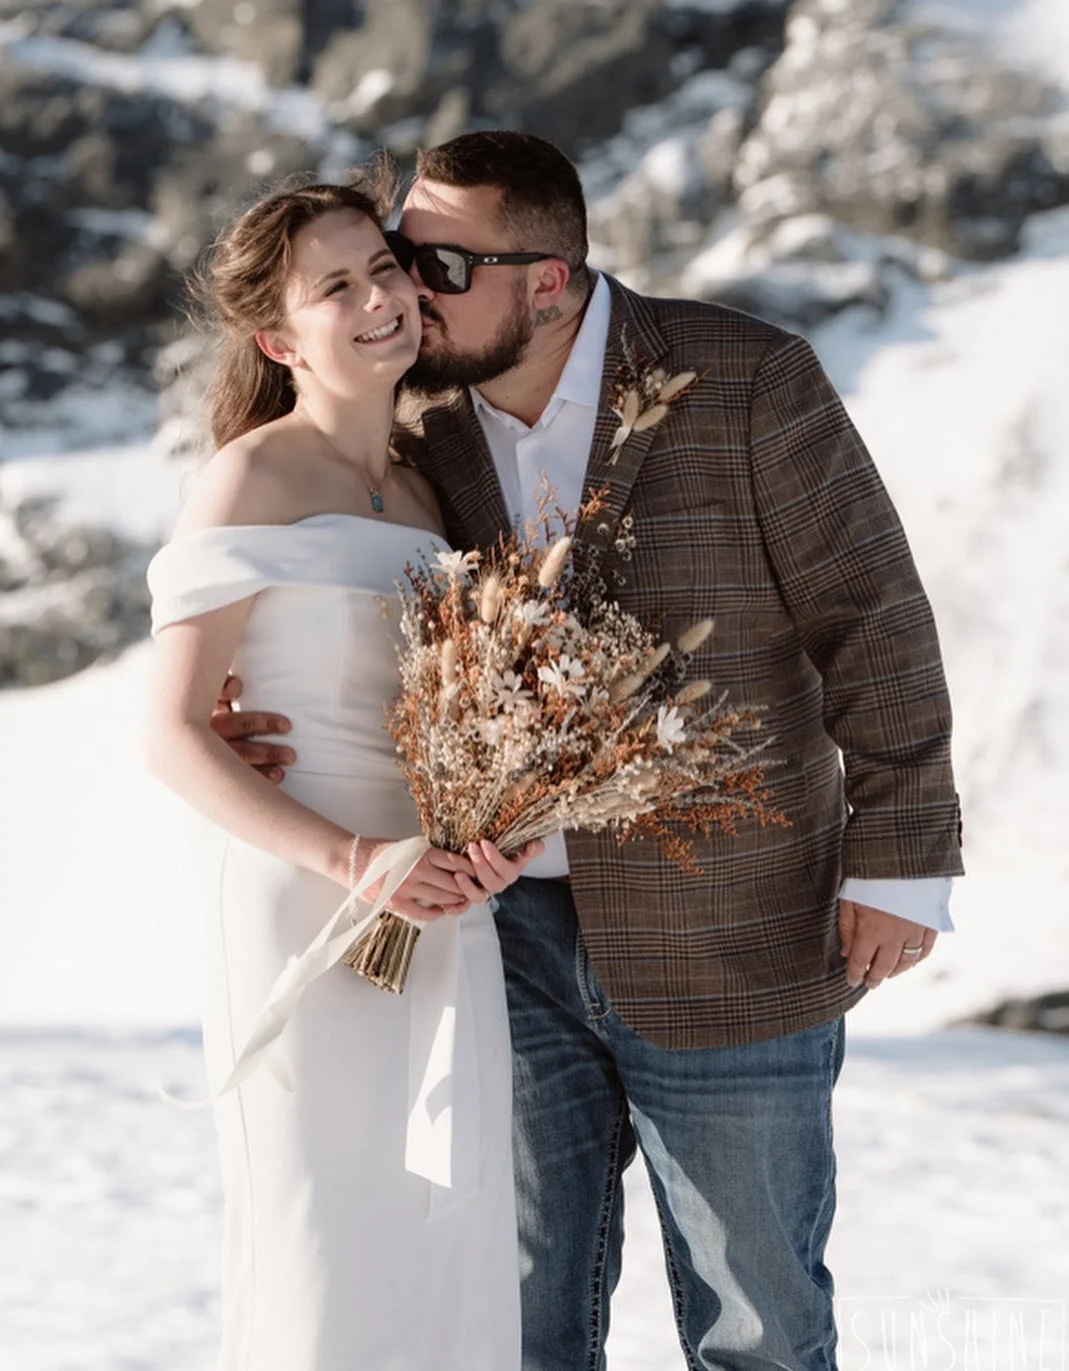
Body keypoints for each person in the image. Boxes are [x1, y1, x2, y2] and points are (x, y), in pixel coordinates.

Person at [214, 133, 964, 1371]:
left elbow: (868, 617)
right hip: (497, 949)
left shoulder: (745, 377)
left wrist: (897, 861)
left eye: (440, 263)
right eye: (402, 254)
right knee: (517, 1321)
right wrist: (250, 687)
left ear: (546, 280)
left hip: (735, 932)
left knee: (757, 1326)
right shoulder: (419, 423)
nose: (406, 287)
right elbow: (334, 583)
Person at [144, 172, 542, 1371]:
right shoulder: (249, 478)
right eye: (337, 286)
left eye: (384, 267)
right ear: (279, 337)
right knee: (321, 1230)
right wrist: (356, 860)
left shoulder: (430, 489)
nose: (379, 298)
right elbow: (170, 731)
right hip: (308, 894)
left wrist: (493, 829)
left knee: (446, 1229)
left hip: (440, 904)